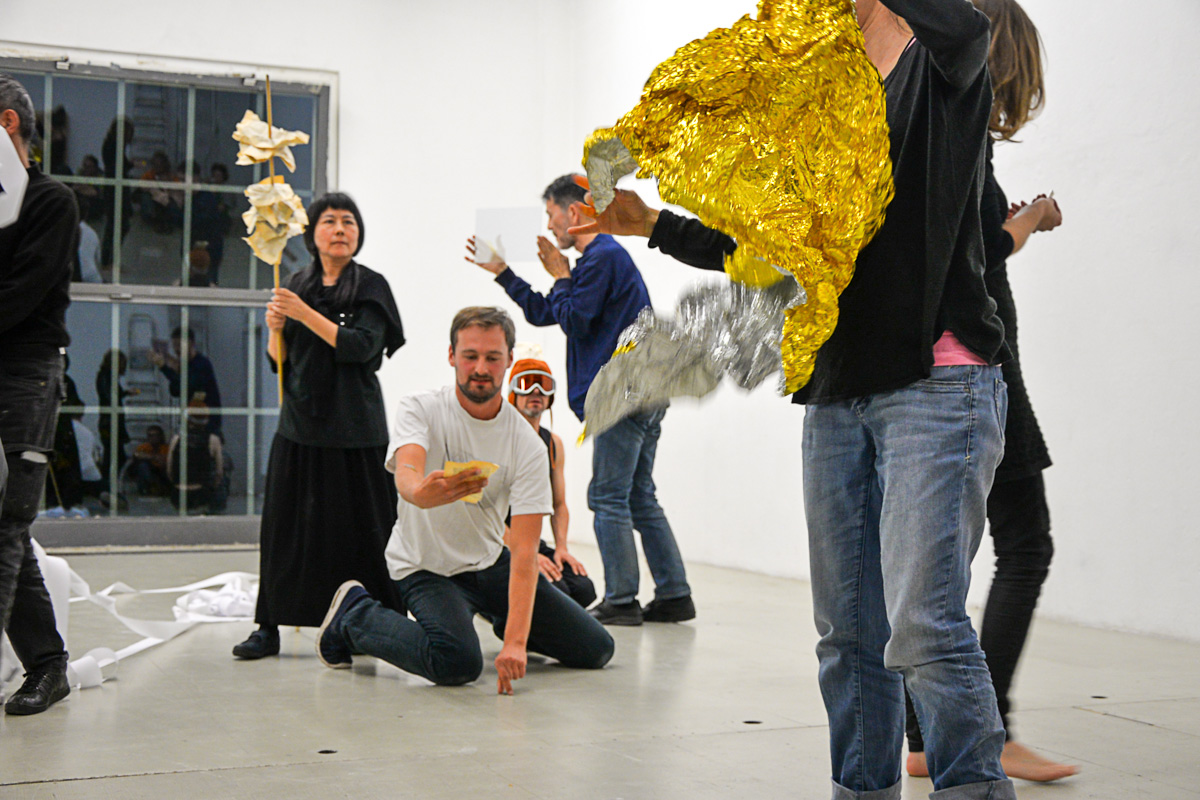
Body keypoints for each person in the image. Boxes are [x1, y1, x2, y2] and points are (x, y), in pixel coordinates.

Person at [572, 1, 1016, 795]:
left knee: (923, 628)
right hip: (837, 389)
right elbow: (779, 248)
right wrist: (653, 225)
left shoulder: (942, 56)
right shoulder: (818, 78)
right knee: (848, 637)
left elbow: (966, 29)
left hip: (937, 381)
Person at [904, 0, 1074, 783]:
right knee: (1024, 545)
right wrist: (1031, 219)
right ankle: (987, 726)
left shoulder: (929, 122)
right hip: (978, 371)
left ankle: (921, 733)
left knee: (931, 564)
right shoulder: (964, 124)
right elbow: (974, 252)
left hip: (945, 370)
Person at [312, 307, 614, 694]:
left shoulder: (527, 444)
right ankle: (355, 614)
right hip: (425, 567)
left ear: (509, 360)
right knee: (457, 662)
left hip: (489, 562)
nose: (481, 368)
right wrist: (419, 493)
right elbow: (407, 469)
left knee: (596, 648)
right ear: (452, 356)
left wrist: (515, 642)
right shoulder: (421, 408)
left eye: (493, 357)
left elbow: (524, 552)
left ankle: (503, 617)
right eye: (470, 356)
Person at [465, 175, 694, 627]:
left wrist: (562, 276)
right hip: (642, 393)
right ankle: (674, 595)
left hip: (622, 396)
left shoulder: (603, 256)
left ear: (573, 212)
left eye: (552, 216)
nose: (550, 228)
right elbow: (547, 312)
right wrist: (505, 273)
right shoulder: (596, 262)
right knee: (638, 495)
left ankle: (622, 600)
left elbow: (575, 319)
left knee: (608, 497)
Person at [232, 192, 406, 660]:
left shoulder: (370, 287)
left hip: (356, 429)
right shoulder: (295, 283)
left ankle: (370, 623)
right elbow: (279, 361)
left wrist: (302, 313)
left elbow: (361, 347)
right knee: (285, 531)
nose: (340, 229)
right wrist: (274, 327)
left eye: (349, 221)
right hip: (301, 425)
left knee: (365, 530)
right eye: (330, 221)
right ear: (313, 234)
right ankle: (268, 625)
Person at [0, 73, 76, 715]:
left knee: (6, 522)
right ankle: (47, 663)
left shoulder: (51, 201)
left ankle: (48, 666)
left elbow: (22, 293)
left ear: (7, 124)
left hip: (26, 373)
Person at [504, 356, 596, 608]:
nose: (536, 391)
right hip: (499, 541)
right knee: (555, 592)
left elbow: (559, 504)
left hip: (530, 541)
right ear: (513, 393)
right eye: (527, 383)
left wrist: (561, 548)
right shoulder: (498, 438)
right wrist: (524, 554)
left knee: (582, 590)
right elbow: (485, 512)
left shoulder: (553, 444)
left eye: (543, 385)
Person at [150, 326, 223, 435]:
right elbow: (175, 391)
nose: (177, 349)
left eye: (179, 345)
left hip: (207, 422)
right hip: (192, 421)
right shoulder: (185, 365)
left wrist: (164, 367)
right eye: (174, 345)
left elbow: (187, 386)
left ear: (191, 343)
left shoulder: (201, 364)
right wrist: (174, 371)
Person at [166, 398, 229, 514]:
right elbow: (219, 473)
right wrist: (211, 488)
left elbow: (169, 471)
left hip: (178, 493)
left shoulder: (176, 439)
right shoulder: (213, 440)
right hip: (200, 493)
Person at [132, 424, 171, 497]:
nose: (153, 438)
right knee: (142, 466)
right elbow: (137, 454)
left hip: (162, 472)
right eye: (150, 435)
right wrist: (153, 457)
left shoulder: (166, 448)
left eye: (155, 435)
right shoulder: (143, 447)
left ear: (160, 436)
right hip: (149, 472)